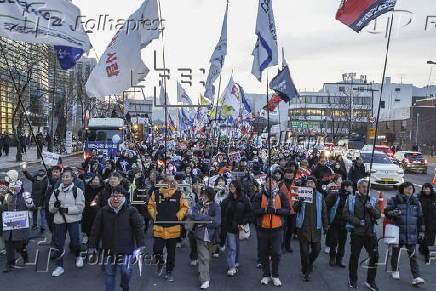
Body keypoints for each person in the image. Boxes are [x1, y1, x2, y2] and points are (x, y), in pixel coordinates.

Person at [89, 185, 145, 291]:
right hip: (108, 248)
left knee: (126, 271)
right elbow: (95, 229)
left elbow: (138, 228)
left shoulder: (131, 210)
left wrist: (140, 244)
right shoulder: (103, 211)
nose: (116, 198)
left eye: (118, 196)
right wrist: (92, 245)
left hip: (126, 249)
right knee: (110, 274)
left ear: (123, 197)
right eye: (113, 196)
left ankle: (125, 286)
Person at [147, 174, 188, 282]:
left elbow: (184, 207)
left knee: (171, 253)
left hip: (173, 228)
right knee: (157, 249)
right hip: (159, 227)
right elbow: (150, 205)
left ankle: (169, 271)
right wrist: (155, 215)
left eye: (173, 180)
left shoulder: (179, 194)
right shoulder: (156, 193)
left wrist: (178, 216)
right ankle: (160, 263)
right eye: (170, 181)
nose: (172, 182)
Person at [385, 182, 425, 286]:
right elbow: (387, 212)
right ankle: (395, 270)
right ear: (402, 189)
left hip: (411, 233)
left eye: (411, 189)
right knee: (396, 253)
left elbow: (420, 218)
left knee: (413, 256)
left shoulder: (416, 202)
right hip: (397, 232)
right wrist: (394, 213)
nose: (409, 190)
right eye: (407, 188)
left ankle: (416, 277)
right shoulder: (395, 200)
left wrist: (421, 231)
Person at [343, 179, 381, 290]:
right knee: (355, 257)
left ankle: (370, 281)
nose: (365, 189)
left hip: (370, 234)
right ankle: (353, 279)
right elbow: (345, 214)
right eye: (363, 187)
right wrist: (357, 222)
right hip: (357, 233)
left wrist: (371, 208)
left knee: (374, 256)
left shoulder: (373, 200)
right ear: (358, 188)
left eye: (367, 187)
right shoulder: (351, 199)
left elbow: (378, 215)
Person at [253, 177, 290, 287]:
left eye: (272, 182)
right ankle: (266, 274)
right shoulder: (259, 195)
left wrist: (276, 211)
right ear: (265, 183)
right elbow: (254, 209)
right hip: (263, 229)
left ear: (276, 183)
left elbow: (287, 209)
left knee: (276, 253)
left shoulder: (281, 195)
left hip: (277, 229)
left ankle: (275, 275)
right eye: (268, 182)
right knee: (263, 252)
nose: (270, 184)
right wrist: (264, 210)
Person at [49, 168, 85, 277]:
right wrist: (55, 207)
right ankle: (59, 266)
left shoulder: (77, 191)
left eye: (67, 176)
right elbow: (50, 208)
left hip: (73, 221)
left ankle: (78, 256)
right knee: (59, 243)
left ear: (72, 178)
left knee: (75, 241)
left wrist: (67, 210)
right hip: (59, 221)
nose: (65, 178)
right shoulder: (56, 192)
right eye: (63, 176)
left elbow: (80, 207)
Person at [294, 176, 329, 282]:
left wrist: (325, 225)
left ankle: (308, 263)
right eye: (308, 183)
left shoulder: (319, 196)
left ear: (315, 184)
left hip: (316, 228)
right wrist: (299, 202)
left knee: (317, 250)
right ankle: (306, 271)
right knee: (304, 252)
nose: (309, 184)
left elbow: (323, 212)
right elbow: (295, 209)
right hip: (303, 227)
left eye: (311, 183)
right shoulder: (301, 194)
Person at [0, 177, 34, 272]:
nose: (14, 190)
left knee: (19, 245)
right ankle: (10, 263)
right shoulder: (7, 196)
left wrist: (30, 204)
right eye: (12, 188)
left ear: (20, 187)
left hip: (20, 225)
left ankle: (24, 255)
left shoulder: (25, 195)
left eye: (16, 187)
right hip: (9, 226)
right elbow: (4, 209)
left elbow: (32, 209)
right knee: (8, 245)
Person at [191, 187, 221, 290]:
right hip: (200, 235)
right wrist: (209, 219)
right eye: (202, 194)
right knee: (204, 257)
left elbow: (217, 221)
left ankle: (202, 271)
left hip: (213, 237)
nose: (203, 197)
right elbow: (194, 217)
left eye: (205, 195)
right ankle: (205, 280)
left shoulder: (216, 206)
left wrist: (203, 218)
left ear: (210, 196)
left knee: (207, 257)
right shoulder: (198, 205)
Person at [221, 181, 251, 276]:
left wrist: (243, 223)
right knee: (232, 247)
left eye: (233, 186)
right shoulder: (227, 200)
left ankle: (235, 261)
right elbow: (223, 213)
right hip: (230, 226)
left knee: (237, 246)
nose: (231, 188)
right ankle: (231, 266)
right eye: (230, 186)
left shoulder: (244, 199)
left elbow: (249, 212)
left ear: (238, 187)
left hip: (240, 226)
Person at [325, 180, 353, 268]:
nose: (352, 188)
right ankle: (332, 258)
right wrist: (327, 221)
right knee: (334, 242)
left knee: (342, 242)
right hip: (335, 223)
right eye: (351, 187)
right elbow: (326, 208)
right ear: (345, 187)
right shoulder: (335, 195)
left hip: (345, 223)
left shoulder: (351, 197)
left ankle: (339, 260)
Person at [279, 168, 297, 253]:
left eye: (291, 173)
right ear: (284, 174)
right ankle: (281, 246)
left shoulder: (296, 184)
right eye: (287, 173)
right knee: (283, 230)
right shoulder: (280, 184)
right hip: (283, 210)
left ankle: (287, 245)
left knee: (290, 230)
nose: (289, 175)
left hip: (293, 210)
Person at [418, 183, 436, 264]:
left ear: (431, 189)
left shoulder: (434, 197)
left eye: (427, 188)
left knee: (431, 239)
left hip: (433, 221)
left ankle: (428, 253)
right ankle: (426, 254)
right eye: (424, 189)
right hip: (422, 221)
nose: (426, 190)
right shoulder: (419, 197)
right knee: (424, 239)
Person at [82, 174, 104, 239]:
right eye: (94, 179)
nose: (95, 181)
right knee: (86, 225)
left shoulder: (103, 189)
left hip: (97, 210)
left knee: (96, 225)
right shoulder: (87, 187)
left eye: (97, 179)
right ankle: (86, 237)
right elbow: (83, 197)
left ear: (100, 181)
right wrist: (87, 204)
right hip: (87, 209)